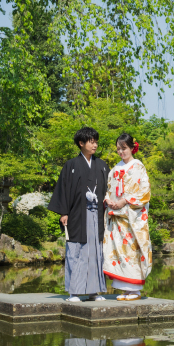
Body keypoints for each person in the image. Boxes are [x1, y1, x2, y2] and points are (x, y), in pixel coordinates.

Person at [48, 126, 109, 302]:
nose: (95, 144)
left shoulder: (102, 165)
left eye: (96, 141)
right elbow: (64, 190)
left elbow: (109, 190)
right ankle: (74, 292)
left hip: (97, 215)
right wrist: (63, 212)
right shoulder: (71, 165)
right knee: (76, 250)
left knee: (96, 251)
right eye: (91, 141)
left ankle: (94, 291)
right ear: (81, 143)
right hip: (76, 215)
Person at [102, 133, 152, 301]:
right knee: (118, 251)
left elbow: (143, 192)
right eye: (118, 149)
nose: (121, 152)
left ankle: (135, 290)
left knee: (131, 250)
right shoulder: (115, 168)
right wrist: (108, 200)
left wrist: (124, 201)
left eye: (124, 148)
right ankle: (125, 289)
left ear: (132, 148)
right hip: (117, 217)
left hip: (131, 217)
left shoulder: (138, 166)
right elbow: (109, 189)